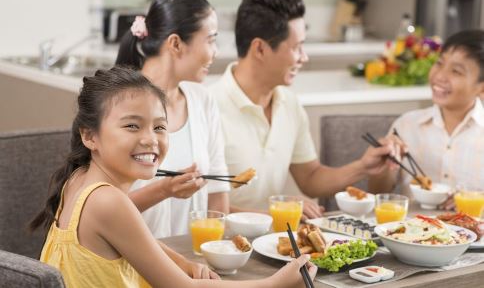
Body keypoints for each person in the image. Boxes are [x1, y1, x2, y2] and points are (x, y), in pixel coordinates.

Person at [30, 66, 316, 287]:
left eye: (159, 127)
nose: (150, 140)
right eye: (132, 126)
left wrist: (184, 262)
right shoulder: (108, 202)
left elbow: (139, 239)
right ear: (90, 136)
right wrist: (276, 283)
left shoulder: (80, 178)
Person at [209, 0, 398, 217]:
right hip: (221, 246)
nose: (304, 57)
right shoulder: (208, 109)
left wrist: (363, 166)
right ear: (260, 48)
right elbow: (201, 208)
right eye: (296, 47)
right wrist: (276, 212)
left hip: (274, 241)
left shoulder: (289, 103)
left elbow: (310, 178)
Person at [116, 0, 229, 238]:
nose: (216, 51)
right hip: (132, 268)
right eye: (210, 40)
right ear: (176, 43)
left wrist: (215, 255)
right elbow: (98, 211)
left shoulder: (202, 100)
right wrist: (163, 189)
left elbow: (218, 193)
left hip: (195, 264)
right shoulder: (119, 105)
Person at [368, 29, 484, 209]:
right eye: (439, 63)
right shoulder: (407, 125)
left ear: (481, 88)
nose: (440, 76)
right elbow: (376, 194)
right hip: (409, 232)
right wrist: (383, 166)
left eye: (456, 71)